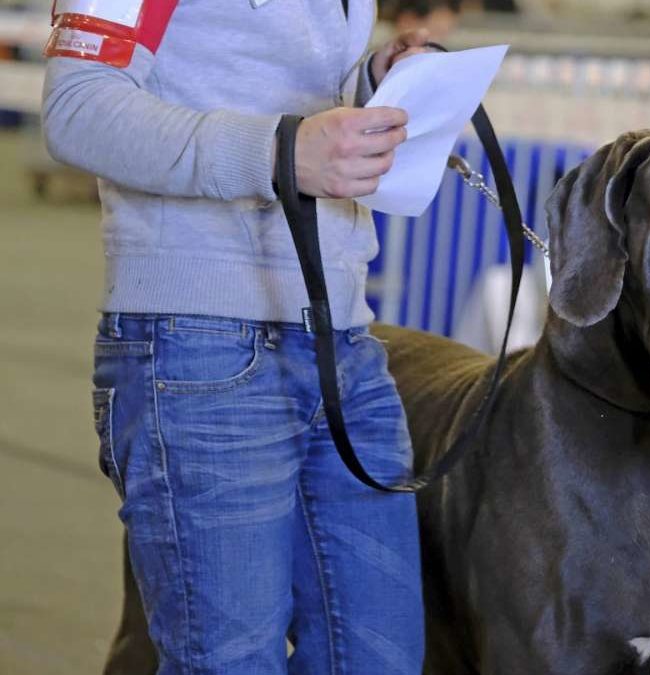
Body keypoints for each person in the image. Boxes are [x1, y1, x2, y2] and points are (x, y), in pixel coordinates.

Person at [41, 2, 431, 673]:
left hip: (342, 339)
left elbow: (258, 81)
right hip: (199, 341)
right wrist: (279, 151)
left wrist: (372, 87)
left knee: (380, 658)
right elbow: (77, 107)